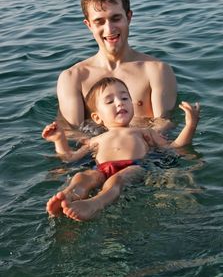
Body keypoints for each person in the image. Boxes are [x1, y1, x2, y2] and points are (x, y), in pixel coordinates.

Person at [43, 77, 200, 222]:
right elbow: (70, 158)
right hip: (101, 169)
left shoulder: (145, 132)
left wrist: (190, 126)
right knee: (82, 176)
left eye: (125, 98)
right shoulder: (96, 140)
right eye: (110, 101)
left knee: (116, 180)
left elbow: (175, 148)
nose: (119, 103)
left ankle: (95, 204)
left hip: (135, 166)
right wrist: (59, 140)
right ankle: (69, 195)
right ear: (97, 118)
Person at [57, 0, 177, 131]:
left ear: (129, 17)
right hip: (96, 153)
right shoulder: (72, 78)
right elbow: (72, 134)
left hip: (150, 152)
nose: (109, 29)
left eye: (116, 18)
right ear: (89, 25)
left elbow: (164, 125)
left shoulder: (157, 71)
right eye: (99, 21)